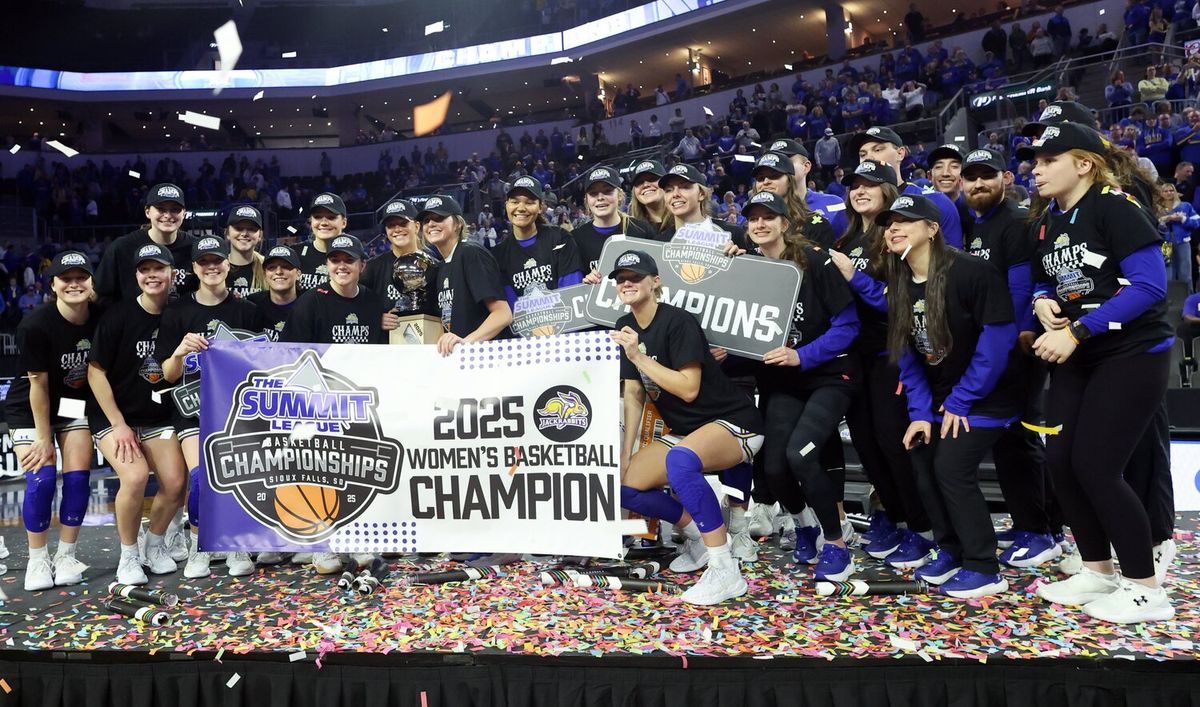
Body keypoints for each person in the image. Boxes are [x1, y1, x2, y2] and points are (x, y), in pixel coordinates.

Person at [1021, 122, 1175, 623]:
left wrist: (1078, 330)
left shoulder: (1116, 206)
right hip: (1079, 353)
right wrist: (1044, 303)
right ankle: (1097, 570)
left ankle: (1146, 590)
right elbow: (1045, 279)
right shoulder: (1048, 220)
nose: (1036, 169)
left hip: (1131, 351)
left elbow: (1151, 287)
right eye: (1035, 161)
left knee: (1097, 467)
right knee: (1061, 462)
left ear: (1084, 163)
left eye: (1048, 160)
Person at [880, 194, 1019, 599]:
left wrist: (961, 400)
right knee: (921, 458)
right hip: (943, 400)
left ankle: (983, 565)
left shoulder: (972, 272)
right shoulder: (900, 283)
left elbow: (998, 342)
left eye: (905, 221)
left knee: (951, 466)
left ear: (932, 229)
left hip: (989, 396)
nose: (893, 228)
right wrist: (921, 414)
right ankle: (951, 548)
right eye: (889, 223)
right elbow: (909, 361)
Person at [612, 249, 764, 605]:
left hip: (734, 422)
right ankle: (697, 535)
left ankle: (724, 568)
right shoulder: (626, 324)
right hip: (687, 433)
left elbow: (688, 389)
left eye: (635, 277)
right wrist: (625, 453)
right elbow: (634, 392)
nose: (627, 283)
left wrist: (638, 356)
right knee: (621, 486)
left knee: (680, 460)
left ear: (655, 282)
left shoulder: (678, 321)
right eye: (621, 279)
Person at [738, 191, 861, 581]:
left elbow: (849, 326)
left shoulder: (815, 259)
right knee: (772, 467)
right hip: (782, 382)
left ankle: (837, 545)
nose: (760, 224)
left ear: (785, 224)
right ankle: (804, 526)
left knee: (801, 455)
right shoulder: (749, 269)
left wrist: (802, 356)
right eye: (753, 219)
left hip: (828, 376)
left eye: (768, 217)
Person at [959, 149, 1064, 567]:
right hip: (992, 344)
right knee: (1009, 442)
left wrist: (1021, 334)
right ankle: (1031, 524)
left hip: (1018, 347)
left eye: (987, 177)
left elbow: (1021, 287)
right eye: (972, 178)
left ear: (1005, 177)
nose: (978, 184)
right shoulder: (973, 222)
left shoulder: (1016, 221)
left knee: (1022, 440)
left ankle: (1042, 530)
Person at [827, 161, 933, 568]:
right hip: (857, 355)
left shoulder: (899, 235)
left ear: (890, 189)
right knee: (868, 446)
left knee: (894, 441)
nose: (861, 190)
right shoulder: (849, 235)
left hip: (894, 353)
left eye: (871, 183)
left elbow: (899, 300)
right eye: (854, 184)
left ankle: (921, 528)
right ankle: (896, 516)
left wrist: (854, 277)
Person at [158, 236, 265, 579]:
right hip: (193, 411)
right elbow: (167, 374)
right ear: (194, 268)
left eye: (217, 261)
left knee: (237, 477)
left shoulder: (247, 311)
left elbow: (262, 367)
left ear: (228, 265)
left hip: (237, 412)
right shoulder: (177, 312)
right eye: (204, 262)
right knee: (202, 477)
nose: (211, 267)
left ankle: (235, 544)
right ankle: (199, 546)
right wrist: (179, 352)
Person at [86, 243, 188, 586]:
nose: (152, 275)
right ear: (136, 277)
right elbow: (94, 372)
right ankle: (128, 555)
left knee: (175, 483)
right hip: (115, 419)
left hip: (159, 419)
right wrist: (118, 425)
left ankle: (154, 544)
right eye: (145, 270)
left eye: (158, 269)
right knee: (134, 477)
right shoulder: (118, 316)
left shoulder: (179, 315)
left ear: (172, 274)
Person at [8, 252, 98, 591]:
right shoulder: (35, 325)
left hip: (72, 405)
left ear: (91, 283)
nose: (74, 284)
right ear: (53, 285)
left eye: (81, 277)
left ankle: (66, 554)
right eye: (66, 278)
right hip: (28, 406)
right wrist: (44, 439)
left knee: (77, 479)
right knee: (42, 479)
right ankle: (37, 560)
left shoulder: (100, 316)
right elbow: (38, 386)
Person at [419, 195, 513, 356]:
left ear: (457, 224)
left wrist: (466, 343)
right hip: (458, 359)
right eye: (426, 220)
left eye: (439, 218)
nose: (431, 224)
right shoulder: (441, 266)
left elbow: (503, 314)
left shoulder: (470, 253)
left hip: (484, 358)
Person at [848, 126, 964, 248]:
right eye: (863, 154)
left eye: (877, 150)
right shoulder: (855, 206)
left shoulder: (936, 202)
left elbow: (954, 261)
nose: (869, 158)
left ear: (900, 153)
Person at [95, 183, 196, 302]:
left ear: (184, 213)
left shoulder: (195, 247)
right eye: (161, 209)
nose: (168, 215)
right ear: (147, 212)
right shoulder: (122, 247)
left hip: (183, 319)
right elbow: (101, 292)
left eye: (175, 209)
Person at [493, 177, 583, 307]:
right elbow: (510, 307)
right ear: (506, 205)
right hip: (523, 325)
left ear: (541, 207)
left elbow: (572, 291)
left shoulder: (560, 238)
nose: (521, 208)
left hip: (564, 320)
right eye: (514, 202)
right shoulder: (499, 254)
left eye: (529, 202)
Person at [574, 166, 660, 280]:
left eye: (607, 191)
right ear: (586, 200)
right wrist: (585, 282)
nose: (600, 197)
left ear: (620, 195)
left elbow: (659, 273)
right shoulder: (576, 238)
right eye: (593, 193)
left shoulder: (642, 230)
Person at [760, 138, 847, 238]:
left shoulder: (834, 202)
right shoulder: (758, 214)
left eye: (786, 161)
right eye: (774, 162)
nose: (778, 166)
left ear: (806, 167)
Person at [361, 199, 437, 311]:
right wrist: (377, 318)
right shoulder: (372, 267)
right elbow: (358, 306)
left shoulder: (434, 265)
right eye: (391, 225)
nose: (397, 229)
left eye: (403, 223)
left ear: (416, 226)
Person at [658, 164, 747, 247]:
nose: (675, 194)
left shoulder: (732, 234)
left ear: (701, 194)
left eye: (684, 187)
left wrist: (736, 259)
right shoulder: (659, 243)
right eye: (669, 190)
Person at [247, 246, 302, 341]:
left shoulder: (310, 304)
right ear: (265, 275)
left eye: (286, 266)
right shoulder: (253, 304)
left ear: (298, 274)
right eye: (271, 267)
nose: (279, 272)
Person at [298, 192, 349, 291]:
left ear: (344, 223)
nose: (324, 222)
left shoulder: (355, 258)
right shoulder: (295, 254)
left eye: (331, 217)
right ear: (311, 221)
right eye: (317, 217)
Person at [927, 143, 974, 242]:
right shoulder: (919, 213)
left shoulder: (975, 212)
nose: (946, 173)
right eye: (939, 167)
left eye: (954, 166)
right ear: (929, 176)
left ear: (965, 174)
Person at [1158, 181, 1199, 291]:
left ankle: (1188, 300)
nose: (1169, 193)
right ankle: (1169, 301)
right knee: (1168, 272)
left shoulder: (1185, 206)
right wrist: (1163, 221)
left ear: (1175, 192)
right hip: (1165, 243)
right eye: (1165, 191)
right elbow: (1155, 229)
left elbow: (1197, 222)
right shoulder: (1158, 210)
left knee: (1185, 272)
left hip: (1183, 241)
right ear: (1161, 194)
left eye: (1171, 190)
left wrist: (1183, 219)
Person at [224, 205, 265, 298]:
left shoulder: (269, 269)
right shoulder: (216, 269)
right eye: (238, 228)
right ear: (227, 234)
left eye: (252, 229)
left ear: (260, 236)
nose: (244, 234)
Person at [627, 160, 671, 233]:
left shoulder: (684, 221)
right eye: (639, 182)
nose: (646, 185)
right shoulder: (630, 230)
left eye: (652, 179)